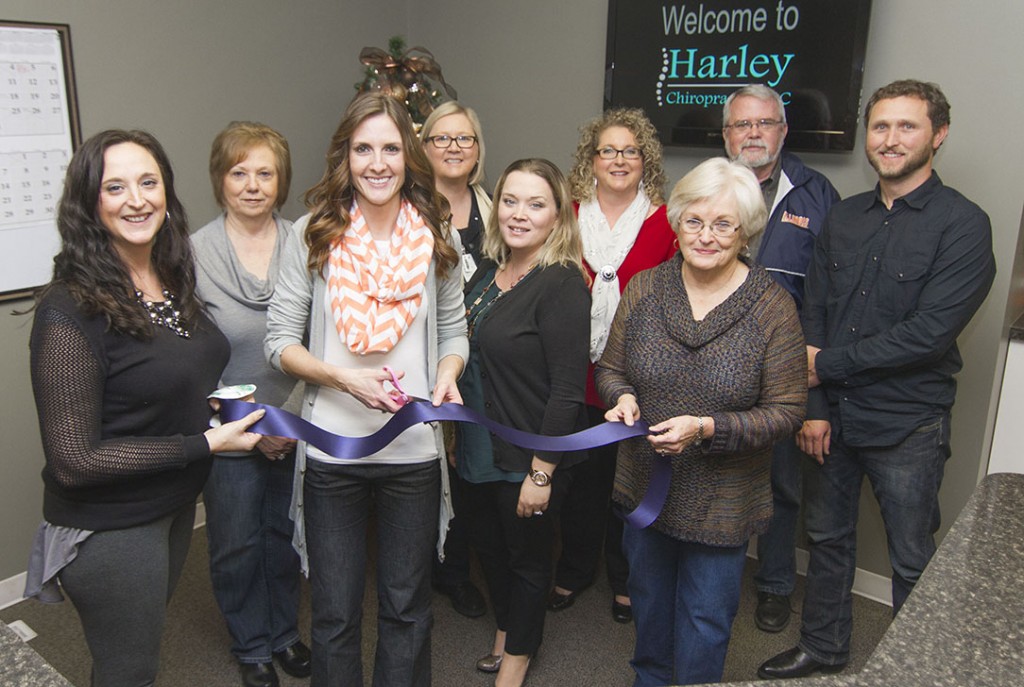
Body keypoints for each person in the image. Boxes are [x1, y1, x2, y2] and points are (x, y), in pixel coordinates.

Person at [758, 80, 996, 679]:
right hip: (831, 418)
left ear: (938, 135)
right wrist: (812, 403)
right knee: (828, 540)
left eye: (907, 127)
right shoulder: (844, 216)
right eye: (881, 127)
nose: (891, 140)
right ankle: (825, 648)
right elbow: (813, 310)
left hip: (907, 424)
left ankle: (918, 670)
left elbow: (928, 335)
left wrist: (822, 367)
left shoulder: (963, 225)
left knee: (913, 557)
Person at [23, 129, 265, 687]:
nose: (137, 199)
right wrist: (205, 444)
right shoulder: (68, 311)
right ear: (90, 204)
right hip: (113, 528)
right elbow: (74, 461)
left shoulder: (168, 275)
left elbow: (165, 379)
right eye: (115, 187)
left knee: (133, 656)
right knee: (128, 672)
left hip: (174, 504)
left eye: (148, 182)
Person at [264, 92, 467, 687]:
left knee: (407, 610)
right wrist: (342, 377)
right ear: (344, 157)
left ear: (409, 156)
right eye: (362, 149)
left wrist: (449, 371)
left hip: (413, 456)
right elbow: (278, 342)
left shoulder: (434, 232)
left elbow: (453, 328)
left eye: (390, 148)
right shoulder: (315, 233)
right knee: (333, 613)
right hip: (333, 456)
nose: (377, 163)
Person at [597, 157, 806, 686]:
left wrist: (708, 428)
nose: (706, 236)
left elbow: (787, 412)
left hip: (724, 501)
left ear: (745, 232)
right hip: (645, 489)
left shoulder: (772, 305)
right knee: (648, 611)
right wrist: (622, 399)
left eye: (723, 224)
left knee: (705, 622)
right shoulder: (644, 289)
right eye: (694, 220)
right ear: (678, 221)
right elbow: (611, 369)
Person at [459, 158, 590, 687]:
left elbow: (565, 391)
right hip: (476, 444)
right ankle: (506, 628)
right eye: (510, 200)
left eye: (536, 204)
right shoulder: (491, 271)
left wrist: (542, 472)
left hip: (529, 453)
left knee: (528, 560)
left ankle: (515, 664)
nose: (518, 214)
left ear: (557, 216)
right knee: (488, 548)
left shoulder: (561, 283)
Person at [192, 121, 310, 687]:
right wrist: (246, 426)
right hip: (227, 430)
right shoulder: (191, 256)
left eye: (265, 172)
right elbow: (187, 358)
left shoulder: (306, 243)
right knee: (236, 544)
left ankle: (285, 633)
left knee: (284, 539)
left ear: (281, 181)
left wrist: (291, 422)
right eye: (239, 172)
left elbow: (324, 341)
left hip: (299, 422)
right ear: (220, 179)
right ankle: (252, 644)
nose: (253, 185)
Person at [549, 107, 676, 623]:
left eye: (631, 151)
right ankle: (576, 569)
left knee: (630, 483)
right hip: (572, 372)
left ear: (645, 160)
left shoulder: (667, 221)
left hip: (635, 377)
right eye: (608, 150)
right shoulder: (567, 214)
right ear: (591, 159)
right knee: (582, 482)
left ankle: (625, 578)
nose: (619, 160)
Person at [721, 84, 840, 633]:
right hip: (713, 363)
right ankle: (709, 578)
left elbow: (825, 302)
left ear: (783, 130)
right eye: (741, 125)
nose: (752, 134)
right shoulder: (708, 189)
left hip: (783, 371)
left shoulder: (817, 196)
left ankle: (773, 586)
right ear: (727, 135)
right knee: (707, 472)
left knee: (781, 486)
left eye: (763, 123)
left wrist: (815, 397)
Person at [419, 101, 490, 619]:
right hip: (426, 359)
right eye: (442, 139)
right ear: (423, 149)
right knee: (428, 469)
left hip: (483, 362)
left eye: (464, 139)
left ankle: (459, 569)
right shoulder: (411, 208)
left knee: (467, 468)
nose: (453, 148)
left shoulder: (494, 205)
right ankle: (432, 568)